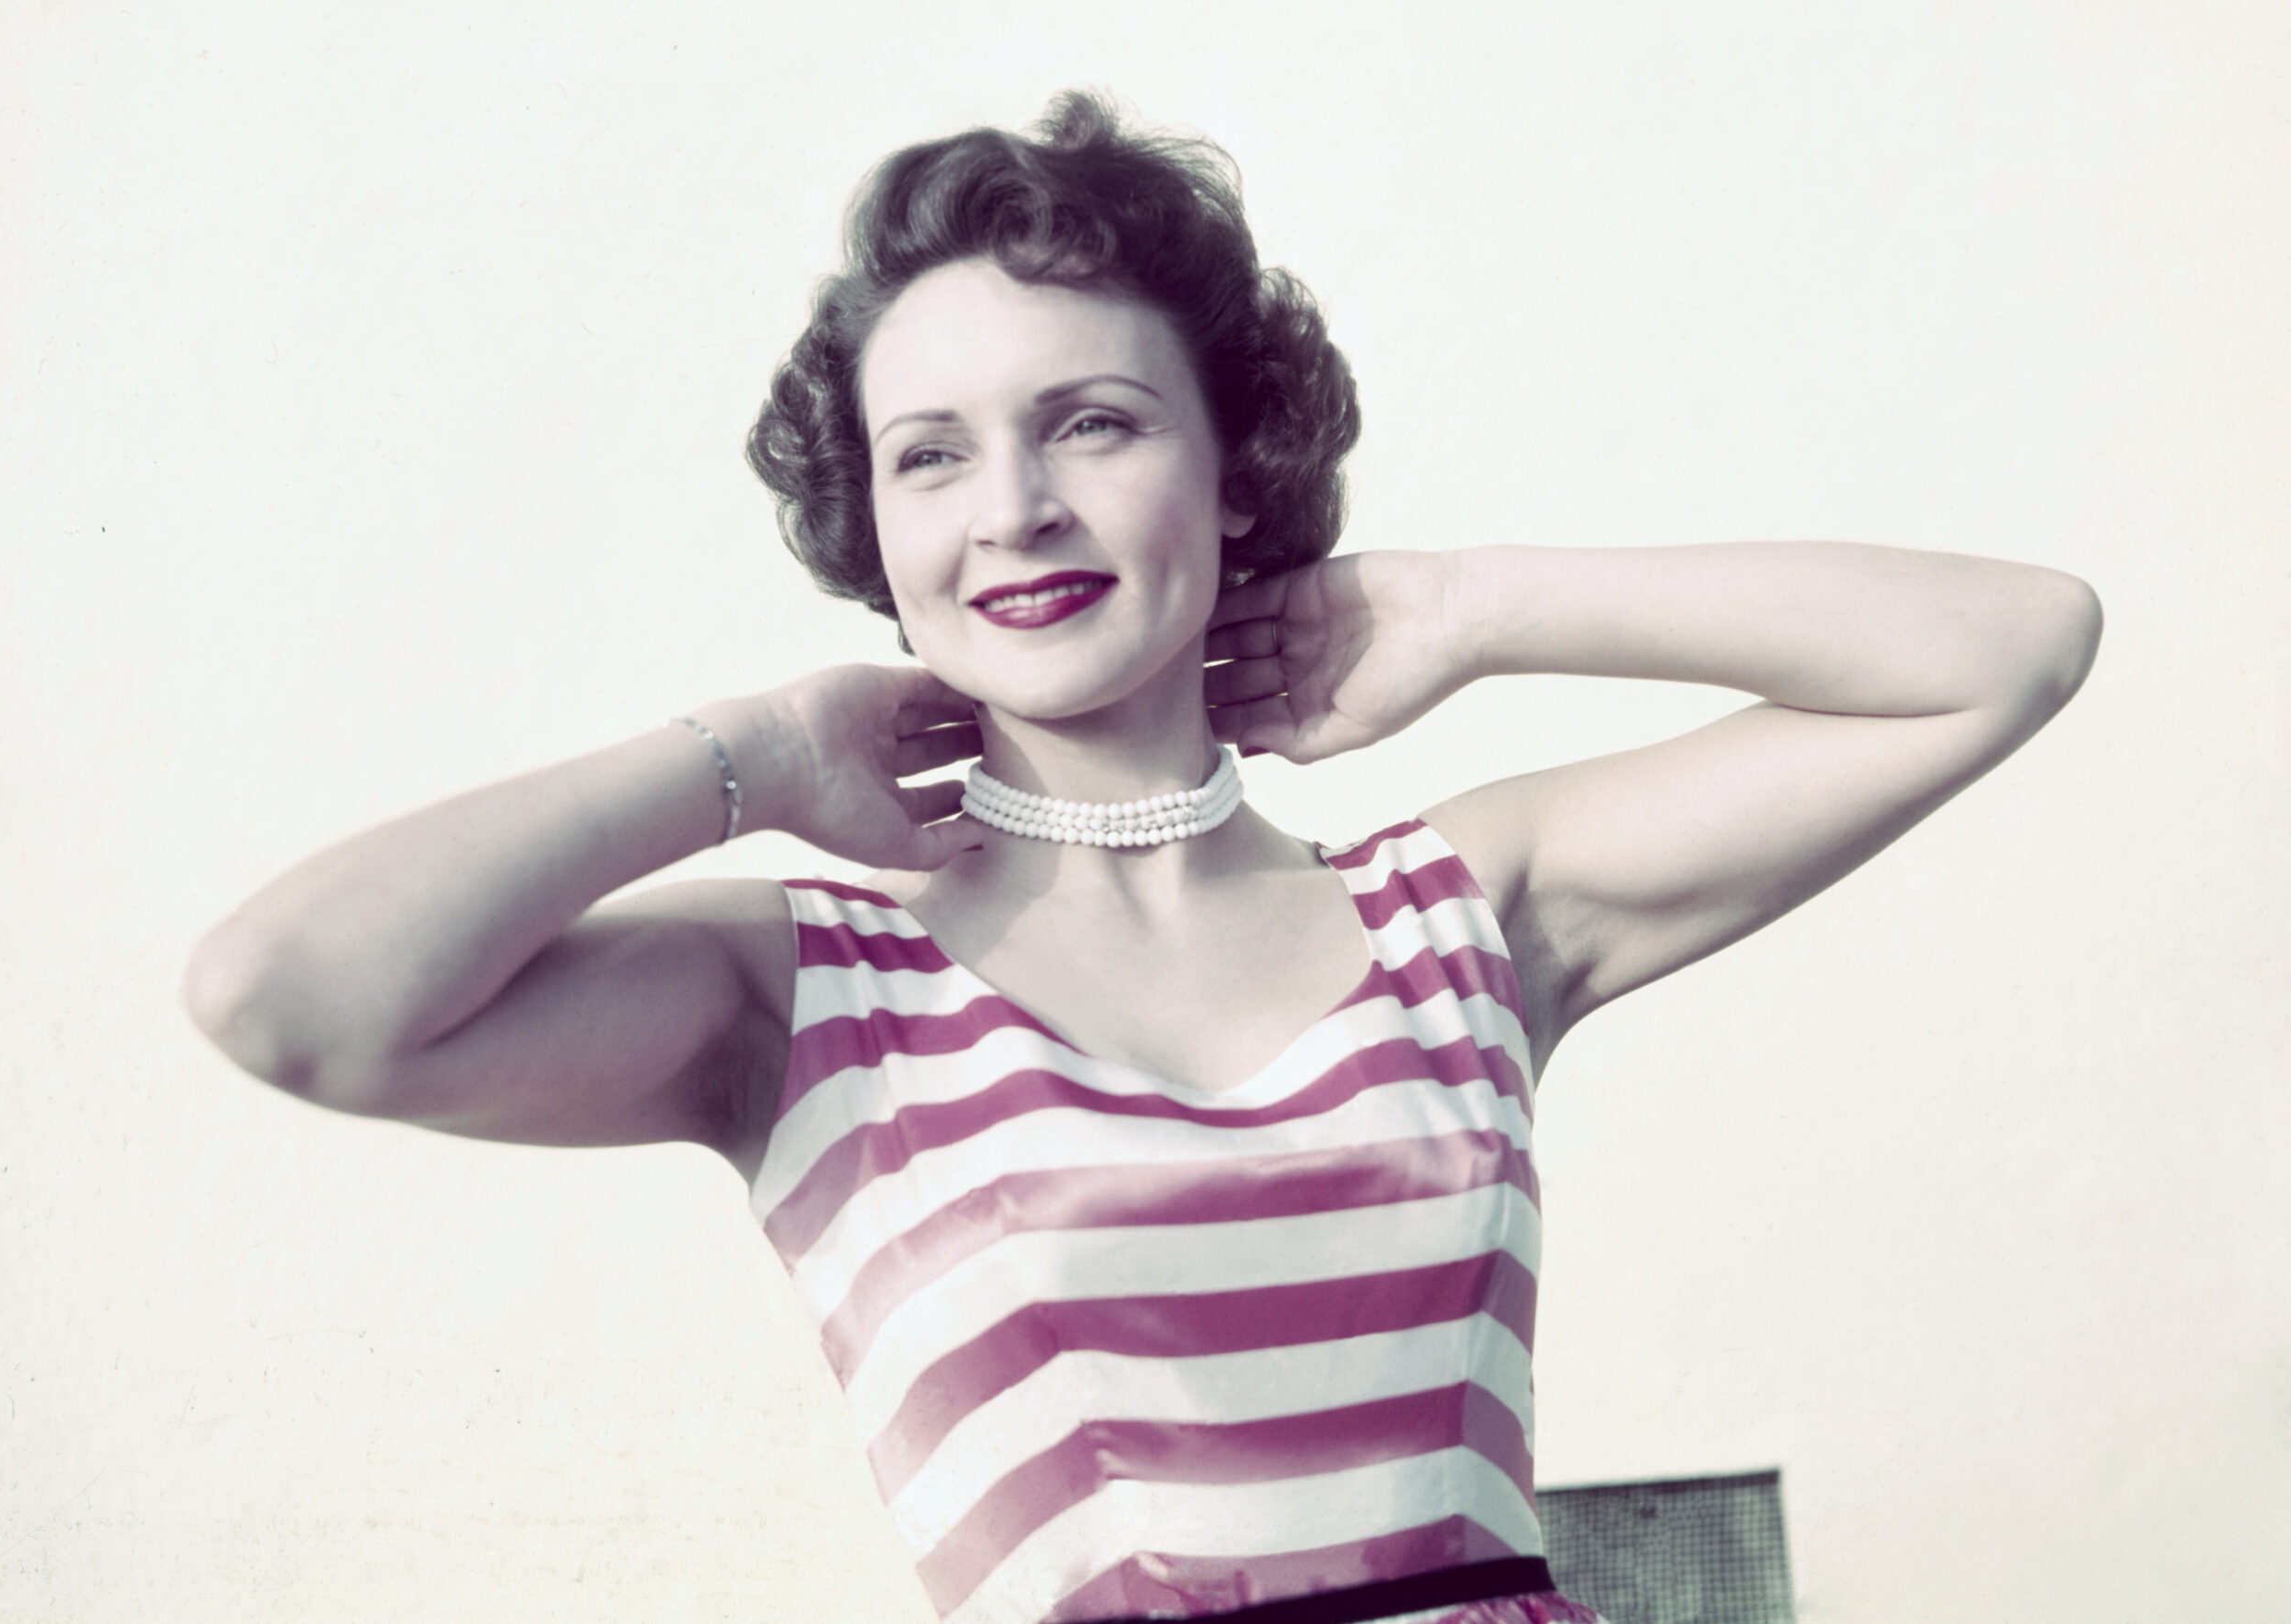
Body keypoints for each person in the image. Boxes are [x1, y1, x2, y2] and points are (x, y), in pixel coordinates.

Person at [184, 93, 2101, 1624]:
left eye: (1089, 424)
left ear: (1231, 466)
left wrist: (1469, 607)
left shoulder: (1459, 914)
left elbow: (2006, 648)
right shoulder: (804, 991)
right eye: (930, 454)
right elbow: (286, 1000)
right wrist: (746, 761)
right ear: (874, 525)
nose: (1013, 508)